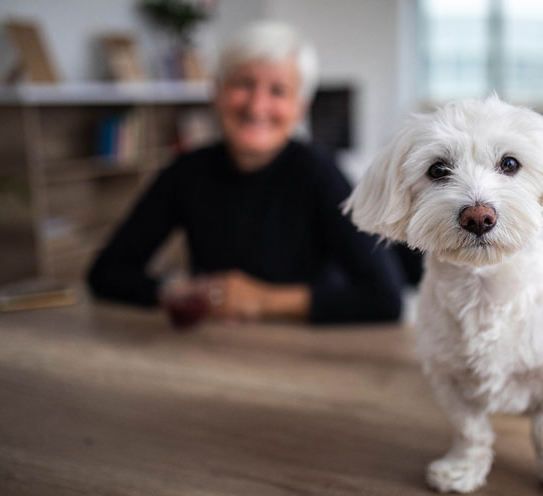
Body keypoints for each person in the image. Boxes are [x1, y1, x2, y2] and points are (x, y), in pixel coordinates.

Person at [87, 21, 403, 324]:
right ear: (217, 92)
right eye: (243, 84)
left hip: (305, 351)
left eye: (277, 90)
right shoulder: (185, 171)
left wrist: (263, 300)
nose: (257, 106)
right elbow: (105, 273)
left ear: (300, 107)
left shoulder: (320, 172)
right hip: (214, 346)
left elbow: (385, 297)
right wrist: (172, 289)